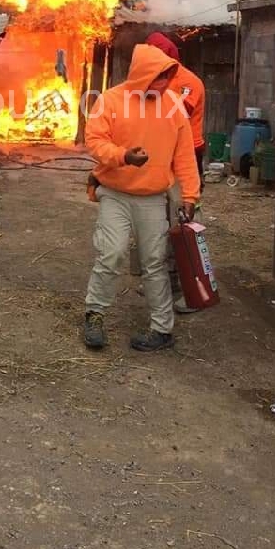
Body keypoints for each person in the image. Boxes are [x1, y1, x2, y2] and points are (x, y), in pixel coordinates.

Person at [83, 43, 201, 352]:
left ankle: (162, 330)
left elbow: (185, 156)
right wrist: (123, 156)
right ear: (142, 76)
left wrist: (190, 196)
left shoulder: (174, 105)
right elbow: (94, 141)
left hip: (152, 198)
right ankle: (94, 315)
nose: (164, 83)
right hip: (115, 194)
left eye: (167, 76)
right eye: (159, 77)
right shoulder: (110, 100)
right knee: (112, 253)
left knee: (154, 262)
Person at [146, 32, 206, 315]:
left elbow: (173, 117)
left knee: (185, 226)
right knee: (160, 223)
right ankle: (168, 283)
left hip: (186, 157)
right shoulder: (155, 81)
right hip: (161, 157)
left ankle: (196, 290)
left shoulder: (188, 82)